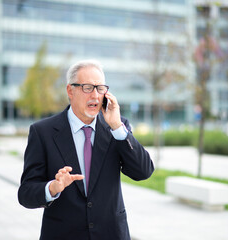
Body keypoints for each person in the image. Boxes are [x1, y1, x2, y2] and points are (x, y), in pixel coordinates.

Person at [18, 59, 154, 240]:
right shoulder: (43, 132)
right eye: (87, 87)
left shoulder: (117, 128)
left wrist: (117, 128)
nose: (95, 96)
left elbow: (143, 171)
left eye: (100, 88)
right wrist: (53, 187)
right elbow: (26, 193)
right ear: (70, 91)